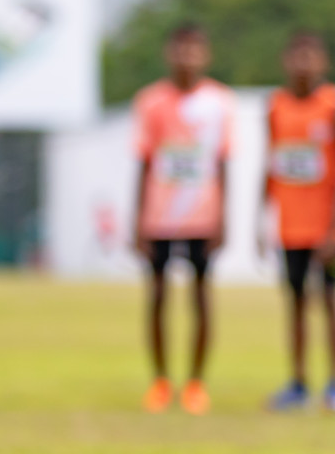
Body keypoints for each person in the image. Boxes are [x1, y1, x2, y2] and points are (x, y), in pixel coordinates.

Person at [132, 23, 235, 415]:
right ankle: (160, 381)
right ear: (168, 53)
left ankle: (195, 383)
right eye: (180, 49)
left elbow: (223, 162)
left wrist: (224, 218)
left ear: (205, 55)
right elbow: (143, 163)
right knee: (157, 297)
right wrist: (137, 221)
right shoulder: (150, 101)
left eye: (194, 49)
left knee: (201, 298)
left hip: (202, 214)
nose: (186, 57)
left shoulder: (219, 101)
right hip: (159, 215)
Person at [260, 31, 335, 411]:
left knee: (331, 304)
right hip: (290, 226)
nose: (303, 63)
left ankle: (334, 385)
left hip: (325, 228)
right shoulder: (275, 106)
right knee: (295, 304)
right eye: (297, 55)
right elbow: (271, 164)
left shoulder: (331, 104)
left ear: (322, 62)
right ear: (285, 60)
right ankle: (298, 382)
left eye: (311, 56)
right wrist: (262, 217)